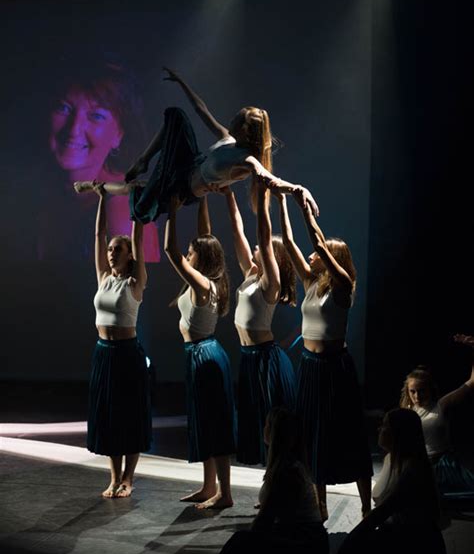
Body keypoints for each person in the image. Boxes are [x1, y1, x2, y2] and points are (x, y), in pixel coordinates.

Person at [73, 68, 318, 223]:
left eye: (238, 117)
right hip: (187, 163)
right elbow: (202, 111)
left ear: (245, 129)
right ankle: (143, 160)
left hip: (183, 188)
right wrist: (182, 83)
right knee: (177, 117)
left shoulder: (246, 160)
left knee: (135, 189)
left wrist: (297, 189)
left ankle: (94, 186)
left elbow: (268, 179)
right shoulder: (228, 139)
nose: (233, 118)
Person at [276, 192, 372, 521]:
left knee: (348, 433)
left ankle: (366, 506)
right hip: (310, 366)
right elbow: (289, 242)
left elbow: (316, 242)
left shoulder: (344, 285)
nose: (312, 255)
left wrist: (304, 208)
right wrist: (281, 201)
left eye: (319, 254)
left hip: (335, 368)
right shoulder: (311, 283)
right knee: (311, 434)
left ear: (332, 258)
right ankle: (320, 505)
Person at [41, 56, 159, 261]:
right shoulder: (48, 191)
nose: (74, 130)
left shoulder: (122, 210)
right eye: (64, 108)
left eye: (96, 116)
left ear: (119, 134)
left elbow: (142, 280)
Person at [164, 194, 236, 509]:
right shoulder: (211, 281)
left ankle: (225, 493)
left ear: (201, 257)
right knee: (206, 422)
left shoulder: (203, 285)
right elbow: (205, 235)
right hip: (202, 355)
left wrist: (172, 210)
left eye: (192, 252)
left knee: (215, 424)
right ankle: (209, 487)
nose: (188, 254)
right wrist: (203, 198)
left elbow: (170, 251)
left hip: (204, 357)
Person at [222, 182, 297, 466]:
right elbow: (237, 231)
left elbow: (264, 239)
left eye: (263, 249)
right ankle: (270, 474)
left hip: (266, 359)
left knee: (271, 422)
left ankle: (278, 474)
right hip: (249, 357)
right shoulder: (250, 275)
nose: (255, 247)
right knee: (255, 420)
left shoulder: (270, 283)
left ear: (272, 258)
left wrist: (265, 197)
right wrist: (228, 194)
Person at [88, 183, 152, 498]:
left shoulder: (135, 282)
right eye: (111, 249)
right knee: (109, 415)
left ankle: (128, 478)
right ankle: (114, 477)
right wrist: (103, 198)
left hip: (127, 354)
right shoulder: (104, 277)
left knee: (129, 414)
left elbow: (138, 239)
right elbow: (98, 236)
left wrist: (136, 202)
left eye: (117, 250)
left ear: (129, 256)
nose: (111, 253)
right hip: (104, 353)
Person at [212, 407, 329, 554]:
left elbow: (265, 520)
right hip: (300, 536)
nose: (263, 428)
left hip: (303, 542)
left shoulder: (287, 472)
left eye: (267, 425)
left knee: (239, 543)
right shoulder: (287, 466)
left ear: (274, 433)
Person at [333, 408, 447, 554]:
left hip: (415, 547)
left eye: (385, 425)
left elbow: (384, 510)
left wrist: (349, 543)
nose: (379, 429)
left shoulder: (413, 470)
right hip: (398, 536)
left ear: (398, 433)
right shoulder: (391, 460)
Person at [399, 334, 474, 496]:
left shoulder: (441, 405)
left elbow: (473, 381)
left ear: (430, 389)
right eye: (413, 391)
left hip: (441, 466)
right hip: (417, 466)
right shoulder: (407, 409)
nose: (417, 396)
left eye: (422, 391)